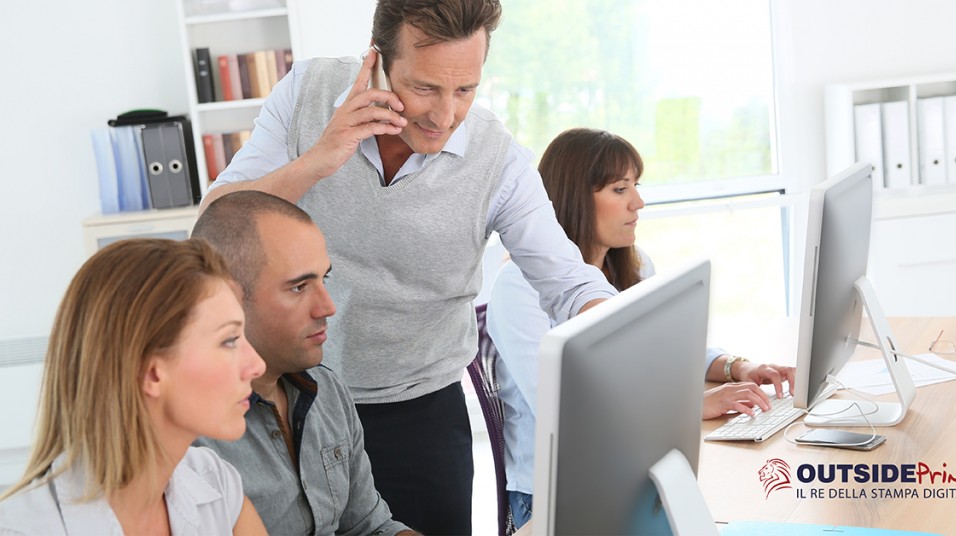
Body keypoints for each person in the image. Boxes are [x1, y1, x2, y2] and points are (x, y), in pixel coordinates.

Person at [198, 0, 617, 532]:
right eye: (424, 88)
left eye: (465, 90)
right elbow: (213, 226)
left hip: (420, 413)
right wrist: (319, 160)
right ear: (377, 60)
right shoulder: (306, 93)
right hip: (292, 397)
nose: (444, 116)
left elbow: (569, 283)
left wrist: (620, 343)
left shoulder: (497, 160)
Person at [486, 128, 797, 529]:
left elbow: (670, 347)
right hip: (555, 498)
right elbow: (560, 410)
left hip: (633, 474)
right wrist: (692, 407)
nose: (638, 202)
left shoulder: (631, 265)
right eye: (620, 189)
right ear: (574, 198)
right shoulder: (518, 287)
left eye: (636, 186)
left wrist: (738, 367)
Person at [0, 239, 268, 535]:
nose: (257, 365)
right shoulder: (21, 529)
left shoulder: (216, 484)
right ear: (151, 374)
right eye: (229, 340)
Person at [192, 191, 415, 536]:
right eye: (298, 287)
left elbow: (370, 527)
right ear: (228, 298)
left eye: (324, 279)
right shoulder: (185, 436)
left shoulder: (327, 390)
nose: (328, 307)